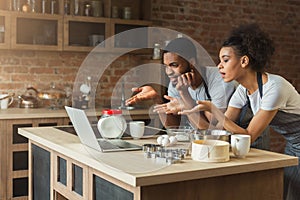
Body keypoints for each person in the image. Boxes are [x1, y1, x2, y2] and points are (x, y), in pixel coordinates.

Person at [179, 23, 300, 199]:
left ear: (244, 61)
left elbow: (249, 136)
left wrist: (214, 109)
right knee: (288, 192)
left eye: (225, 60)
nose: (219, 66)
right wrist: (187, 108)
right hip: (293, 144)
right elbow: (220, 129)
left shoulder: (275, 87)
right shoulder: (242, 91)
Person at [126, 37, 235, 129]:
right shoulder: (176, 83)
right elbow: (172, 127)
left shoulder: (219, 78)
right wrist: (157, 99)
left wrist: (184, 98)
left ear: (191, 63)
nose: (168, 72)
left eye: (174, 65)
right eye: (166, 66)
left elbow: (210, 127)